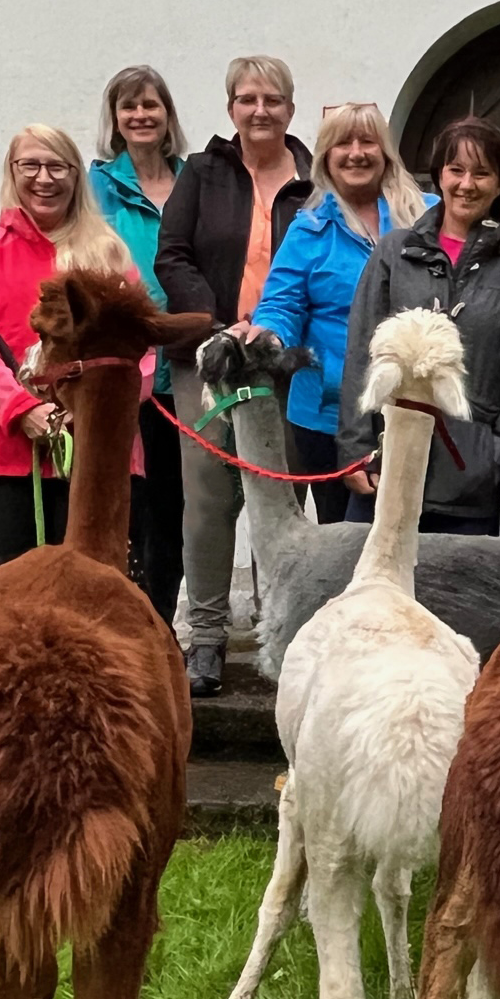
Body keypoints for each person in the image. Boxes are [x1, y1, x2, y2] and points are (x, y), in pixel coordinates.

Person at [155, 56, 311, 696]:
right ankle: (208, 639)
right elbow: (173, 255)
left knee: (280, 500)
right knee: (208, 499)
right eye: (248, 99)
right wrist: (221, 327)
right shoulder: (202, 173)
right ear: (231, 109)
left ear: (290, 109)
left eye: (272, 99)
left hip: (286, 362)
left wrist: (272, 334)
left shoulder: (313, 180)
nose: (260, 110)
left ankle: (279, 633)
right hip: (209, 358)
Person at [0, 125, 141, 568]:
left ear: (76, 175)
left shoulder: (109, 256)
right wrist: (21, 408)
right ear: (12, 172)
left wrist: (92, 407)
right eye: (30, 165)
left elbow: (139, 350)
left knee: (89, 575)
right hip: (1, 447)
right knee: (15, 574)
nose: (43, 178)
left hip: (92, 446)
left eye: (57, 167)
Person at [337, 117, 500, 534]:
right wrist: (355, 448)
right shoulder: (395, 253)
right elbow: (362, 349)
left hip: (469, 479)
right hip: (386, 464)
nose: (467, 184)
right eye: (456, 170)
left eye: (482, 173)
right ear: (439, 176)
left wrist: (497, 454)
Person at [240, 102, 434, 524]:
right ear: (326, 156)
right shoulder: (308, 227)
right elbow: (282, 303)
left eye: (367, 142)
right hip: (326, 414)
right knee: (342, 539)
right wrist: (269, 333)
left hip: (414, 404)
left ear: (386, 152)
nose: (356, 153)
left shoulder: (428, 217)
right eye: (343, 143)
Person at [89, 65, 187, 627]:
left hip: (184, 370)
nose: (141, 115)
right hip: (125, 373)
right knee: (130, 509)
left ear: (168, 114)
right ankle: (123, 625)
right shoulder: (96, 186)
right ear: (115, 119)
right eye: (129, 107)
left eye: (151, 105)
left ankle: (162, 627)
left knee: (176, 510)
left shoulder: (195, 180)